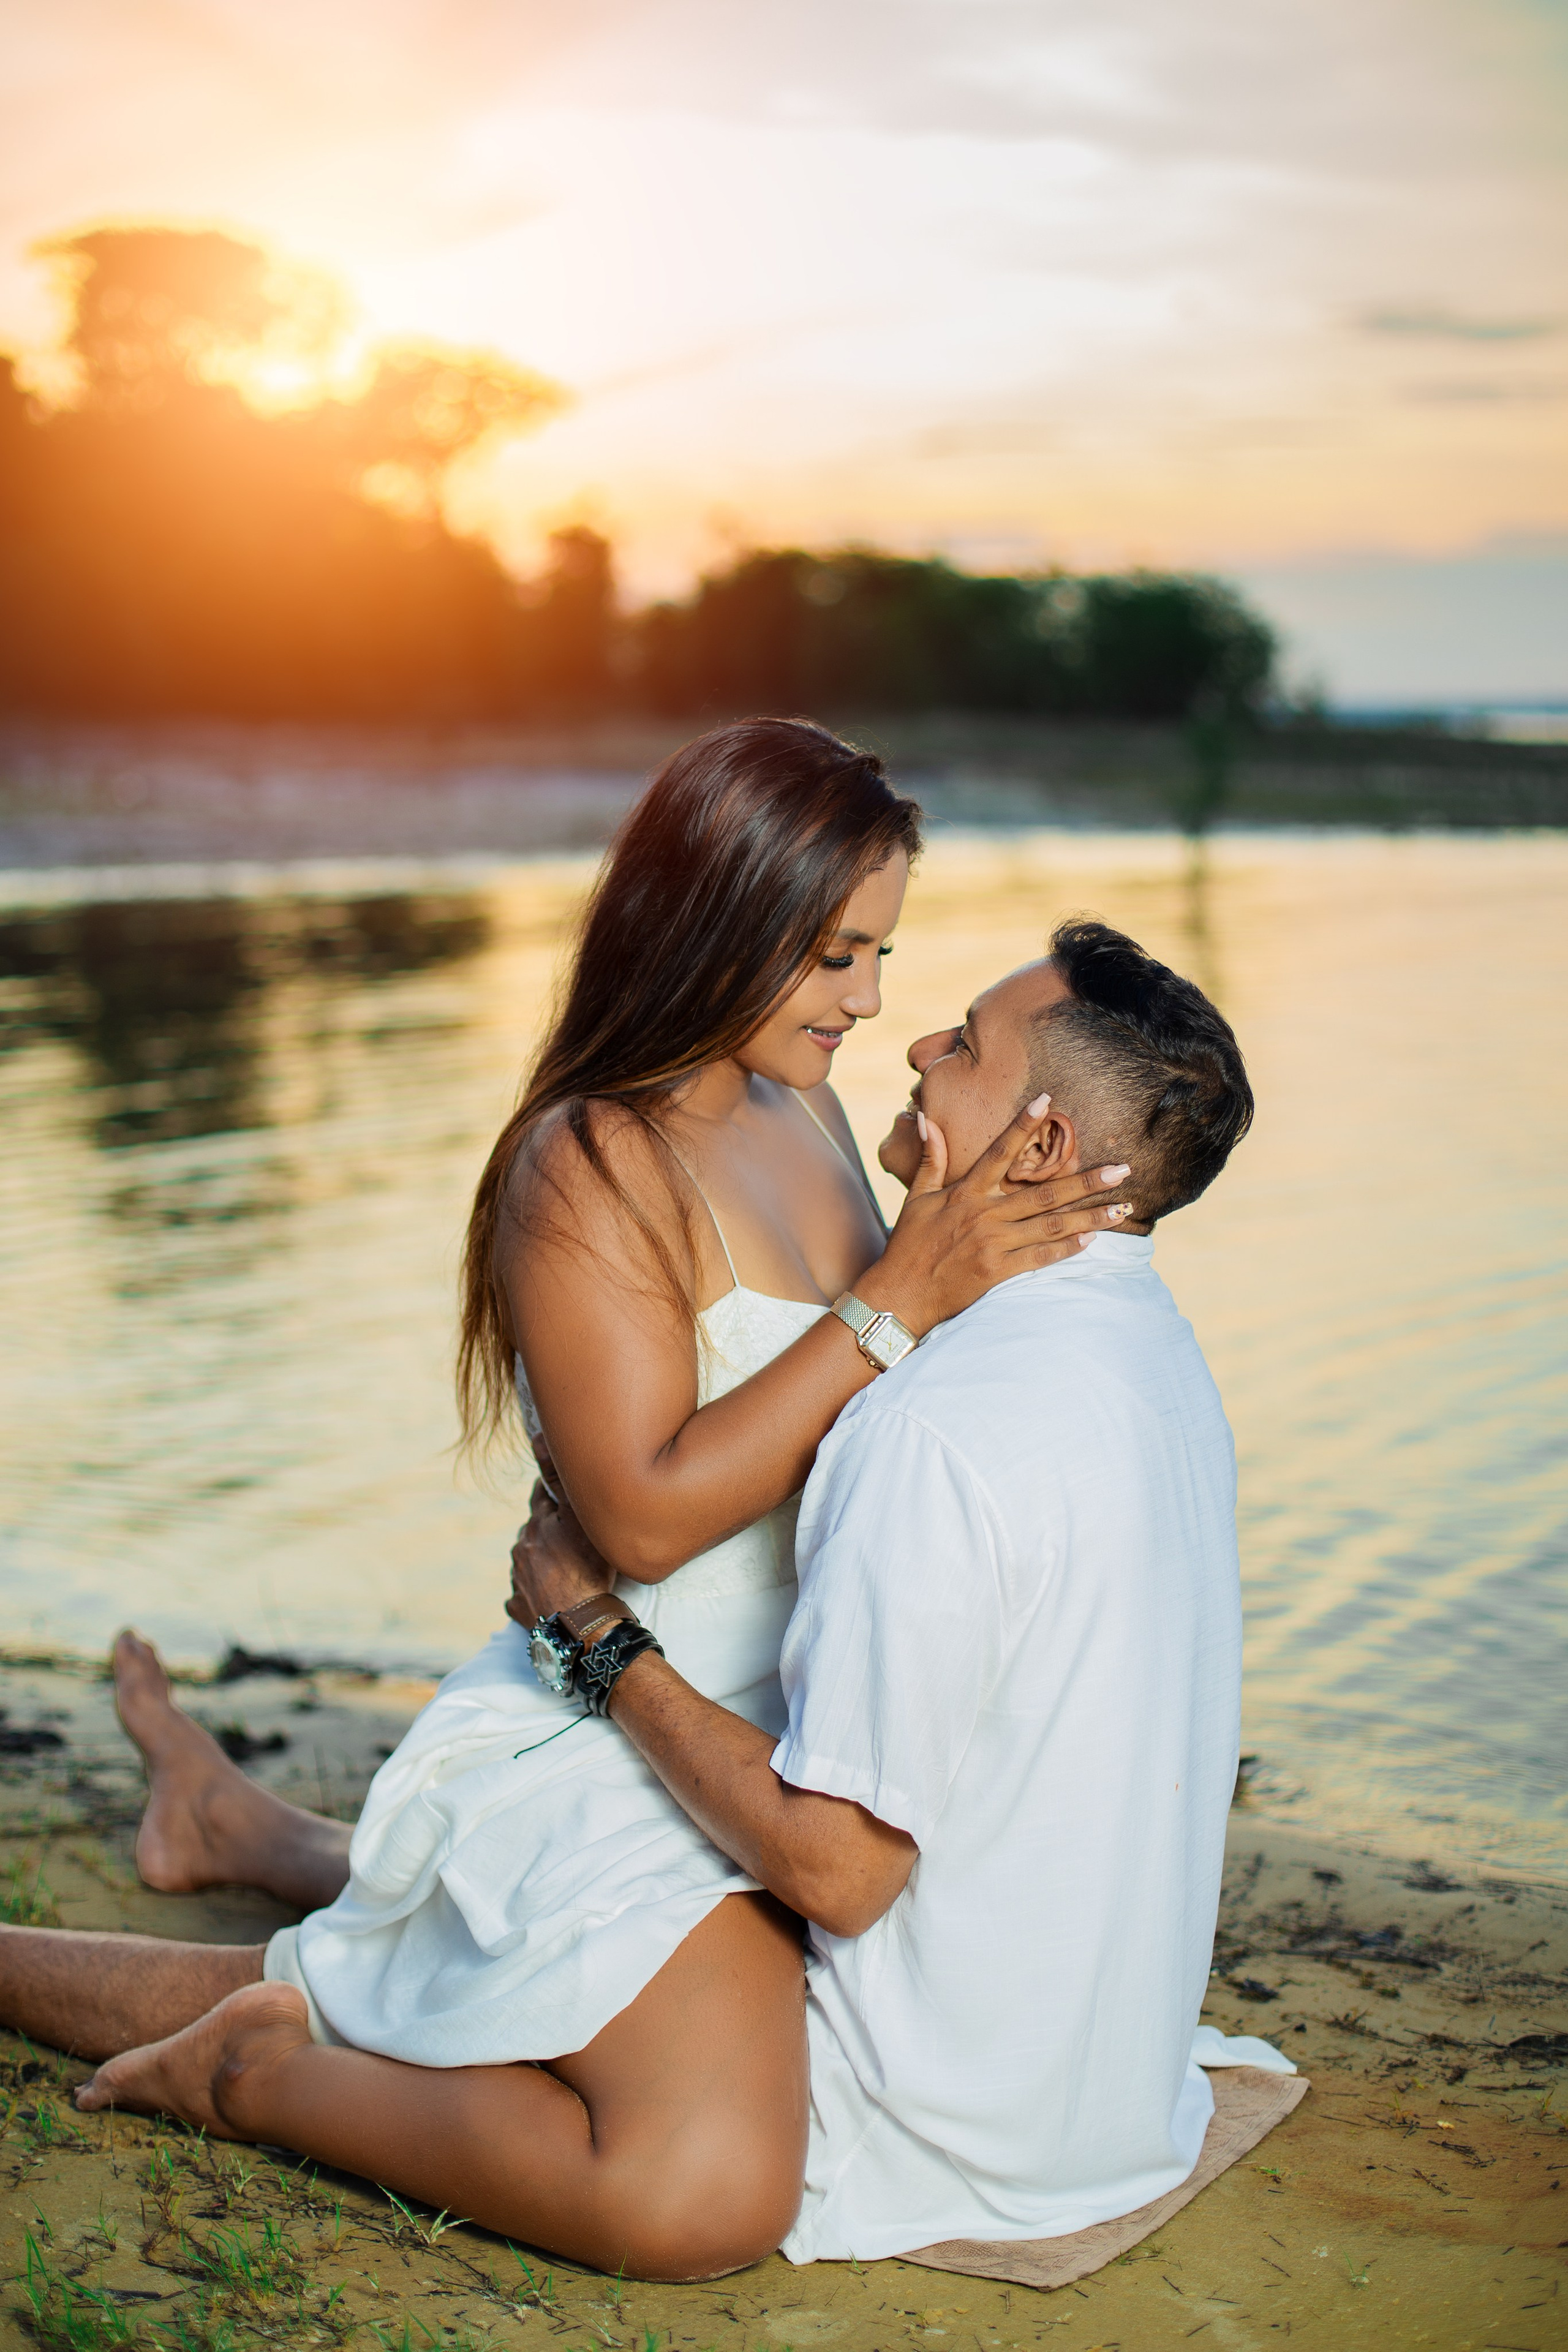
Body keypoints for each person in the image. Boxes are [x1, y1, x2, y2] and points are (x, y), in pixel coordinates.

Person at [1, 723, 1127, 2282]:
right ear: (713, 920)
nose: (866, 999)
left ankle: (230, 1816)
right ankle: (237, 2056)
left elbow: (879, 1407)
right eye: (830, 954)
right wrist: (896, 1299)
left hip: (777, 1721)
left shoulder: (800, 1109)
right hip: (620, 1724)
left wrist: (964, 1232)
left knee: (464, 1944)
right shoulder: (588, 1159)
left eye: (880, 951)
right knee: (699, 2191)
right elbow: (645, 1520)